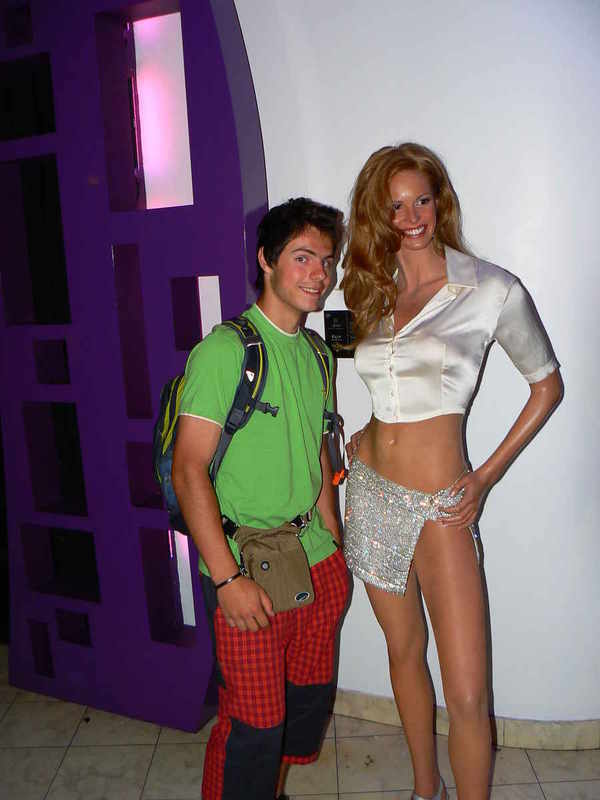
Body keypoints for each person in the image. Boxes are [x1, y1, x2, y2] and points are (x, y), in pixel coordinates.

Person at [341, 143, 563, 800]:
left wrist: (485, 475)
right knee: (403, 654)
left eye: (422, 200)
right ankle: (423, 788)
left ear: (441, 202)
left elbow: (547, 384)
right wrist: (361, 431)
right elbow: (359, 373)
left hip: (443, 504)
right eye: (395, 206)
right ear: (378, 215)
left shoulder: (491, 289)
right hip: (372, 495)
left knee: (468, 694)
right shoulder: (368, 288)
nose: (412, 217)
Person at [172, 197, 349, 800]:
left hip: (316, 563)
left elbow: (319, 452)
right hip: (247, 568)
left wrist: (335, 548)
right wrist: (226, 580)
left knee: (298, 713)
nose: (318, 274)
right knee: (252, 728)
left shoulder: (318, 353)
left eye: (327, 260)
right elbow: (188, 470)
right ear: (266, 259)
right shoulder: (226, 351)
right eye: (303, 257)